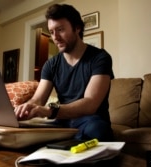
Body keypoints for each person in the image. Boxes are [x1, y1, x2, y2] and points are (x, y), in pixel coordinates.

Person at [15, 4, 114, 141]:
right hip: (62, 121)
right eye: (51, 31)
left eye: (60, 30)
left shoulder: (100, 58)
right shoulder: (51, 64)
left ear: (77, 28)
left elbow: (90, 104)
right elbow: (38, 100)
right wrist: (26, 108)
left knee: (98, 130)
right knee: (21, 130)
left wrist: (50, 111)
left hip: (90, 121)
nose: (55, 37)